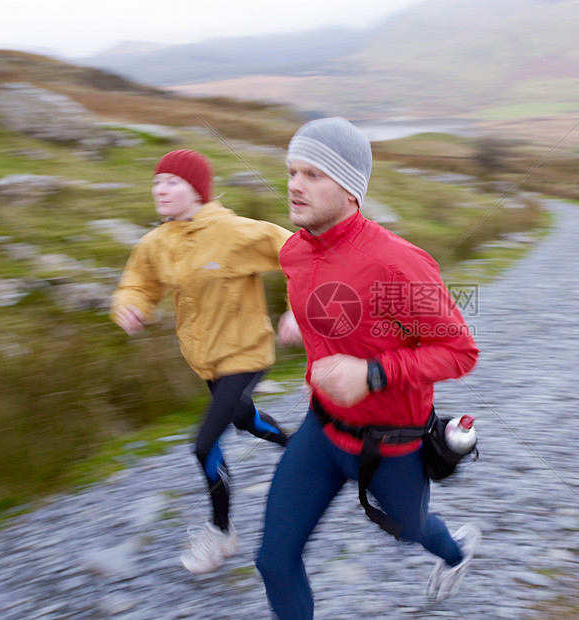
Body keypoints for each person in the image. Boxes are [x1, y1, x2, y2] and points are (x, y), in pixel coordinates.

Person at [255, 117, 481, 619]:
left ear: (352, 189)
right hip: (322, 430)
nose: (294, 184)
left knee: (414, 529)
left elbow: (460, 351)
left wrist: (372, 374)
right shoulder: (294, 251)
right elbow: (336, 300)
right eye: (293, 170)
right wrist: (303, 316)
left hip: (390, 446)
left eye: (314, 174)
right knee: (273, 560)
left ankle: (458, 551)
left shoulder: (398, 264)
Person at [111, 149, 293, 574]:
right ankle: (302, 447)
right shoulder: (157, 243)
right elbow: (138, 282)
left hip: (247, 353)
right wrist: (130, 304)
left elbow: (296, 253)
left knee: (204, 444)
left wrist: (297, 309)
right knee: (245, 420)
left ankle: (221, 531)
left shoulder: (233, 233)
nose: (160, 189)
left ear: (197, 190)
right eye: (157, 181)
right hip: (206, 360)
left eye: (172, 181)